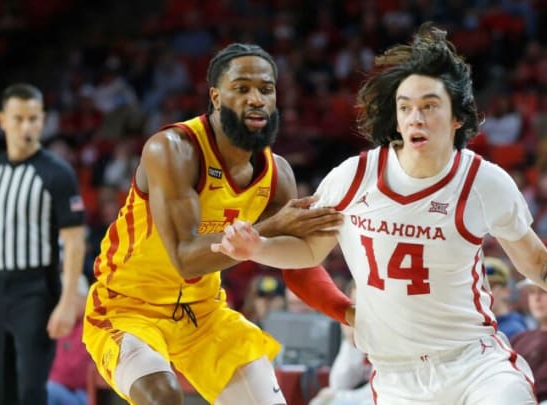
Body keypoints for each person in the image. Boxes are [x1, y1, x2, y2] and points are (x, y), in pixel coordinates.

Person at [212, 23, 547, 404]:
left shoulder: (484, 183)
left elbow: (539, 263)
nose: (415, 119)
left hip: (475, 364)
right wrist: (261, 247)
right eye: (406, 108)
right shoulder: (354, 176)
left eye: (429, 107)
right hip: (395, 377)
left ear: (457, 118)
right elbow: (309, 252)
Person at [82, 42, 352, 405]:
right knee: (163, 398)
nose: (256, 99)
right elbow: (185, 258)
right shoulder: (173, 149)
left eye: (265, 89)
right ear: (216, 96)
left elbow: (297, 263)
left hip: (202, 313)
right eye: (242, 89)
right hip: (127, 307)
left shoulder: (277, 174)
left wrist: (346, 311)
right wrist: (266, 232)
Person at [0, 83, 87, 405]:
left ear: (43, 120)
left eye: (33, 119)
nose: (27, 126)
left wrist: (66, 303)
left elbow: (75, 244)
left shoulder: (57, 174)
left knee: (30, 390)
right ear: (3, 120)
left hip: (35, 290)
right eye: (18, 118)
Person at [47, 275, 92, 405]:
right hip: (58, 388)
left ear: (84, 299)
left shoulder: (90, 326)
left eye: (72, 299)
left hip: (81, 394)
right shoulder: (59, 325)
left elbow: (75, 372)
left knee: (47, 390)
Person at [485, 256, 528, 339]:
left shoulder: (515, 330)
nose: (483, 292)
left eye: (490, 286)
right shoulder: (475, 325)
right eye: (479, 287)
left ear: (506, 291)